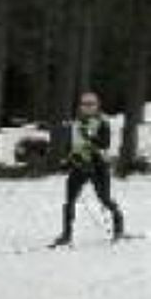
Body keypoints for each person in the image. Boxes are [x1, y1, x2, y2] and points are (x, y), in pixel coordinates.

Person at [50, 90, 124, 247]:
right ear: (80, 106)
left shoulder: (103, 122)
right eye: (84, 104)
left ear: (97, 106)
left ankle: (119, 227)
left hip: (98, 167)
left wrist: (90, 136)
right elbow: (71, 145)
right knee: (69, 201)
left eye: (91, 104)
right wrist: (67, 159)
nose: (88, 107)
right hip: (79, 166)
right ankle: (66, 234)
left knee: (104, 198)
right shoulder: (75, 123)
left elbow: (105, 144)